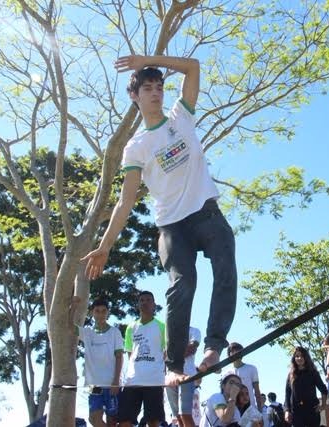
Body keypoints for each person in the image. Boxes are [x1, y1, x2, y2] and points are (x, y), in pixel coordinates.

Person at [82, 54, 237, 385]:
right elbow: (125, 201)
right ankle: (175, 363)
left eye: (159, 87)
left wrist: (148, 60)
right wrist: (105, 246)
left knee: (225, 264)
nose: (155, 93)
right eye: (147, 88)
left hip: (206, 213)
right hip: (172, 227)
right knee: (183, 284)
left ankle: (213, 346)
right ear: (135, 97)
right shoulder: (136, 147)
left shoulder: (180, 118)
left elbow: (194, 66)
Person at [118, 291, 166, 427]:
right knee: (124, 421)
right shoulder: (131, 328)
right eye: (142, 300)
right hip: (133, 380)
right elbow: (130, 354)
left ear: (154, 305)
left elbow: (166, 353)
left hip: (154, 380)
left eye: (148, 300)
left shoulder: (162, 327)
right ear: (138, 304)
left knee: (153, 421)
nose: (145, 303)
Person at [75, 297, 124, 427]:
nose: (100, 314)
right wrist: (73, 306)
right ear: (92, 313)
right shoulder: (86, 332)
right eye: (97, 311)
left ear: (108, 313)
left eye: (103, 311)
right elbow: (69, 326)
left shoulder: (115, 332)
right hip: (94, 386)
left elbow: (119, 357)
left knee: (112, 421)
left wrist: (116, 381)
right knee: (93, 419)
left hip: (110, 384)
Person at [284, 347, 328, 427]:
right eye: (297, 356)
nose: (299, 358)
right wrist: (287, 410)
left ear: (306, 357)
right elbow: (287, 394)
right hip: (296, 412)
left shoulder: (313, 373)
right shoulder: (291, 375)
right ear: (294, 358)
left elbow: (323, 389)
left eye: (302, 356)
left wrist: (323, 406)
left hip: (312, 410)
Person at [167, 326, 202, 427]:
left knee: (185, 414)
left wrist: (171, 355)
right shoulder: (169, 331)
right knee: (176, 416)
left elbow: (192, 349)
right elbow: (163, 353)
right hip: (170, 377)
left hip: (187, 376)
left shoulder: (195, 330)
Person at [225, 342, 263, 410]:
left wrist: (260, 410)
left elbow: (257, 390)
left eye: (238, 351)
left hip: (250, 408)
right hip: (233, 410)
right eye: (232, 351)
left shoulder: (251, 368)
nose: (235, 353)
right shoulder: (226, 373)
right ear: (229, 354)